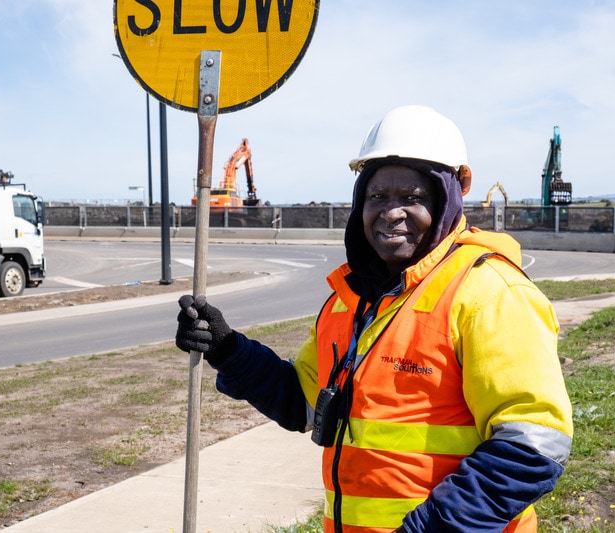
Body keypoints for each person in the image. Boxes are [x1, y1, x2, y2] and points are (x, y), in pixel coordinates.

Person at [176, 105, 573, 532]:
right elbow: (305, 403)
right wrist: (229, 350)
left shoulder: (489, 292)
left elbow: (533, 445)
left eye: (412, 198)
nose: (391, 212)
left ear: (447, 198)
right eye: (377, 196)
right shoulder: (352, 301)